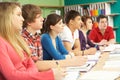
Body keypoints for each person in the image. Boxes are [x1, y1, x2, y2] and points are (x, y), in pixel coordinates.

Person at [0, 2, 65, 80]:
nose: (22, 19)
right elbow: (12, 76)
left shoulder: (18, 40)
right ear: (6, 18)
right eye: (18, 15)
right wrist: (49, 75)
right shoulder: (2, 42)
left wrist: (28, 74)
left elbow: (32, 65)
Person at [22, 4, 86, 71]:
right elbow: (37, 64)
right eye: (38, 17)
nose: (42, 19)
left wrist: (70, 57)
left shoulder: (38, 37)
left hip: (46, 69)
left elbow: (65, 52)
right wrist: (70, 61)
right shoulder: (43, 38)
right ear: (29, 22)